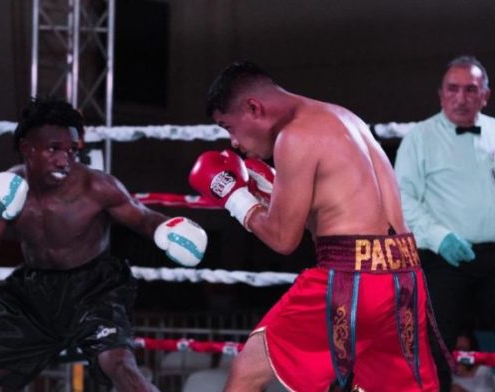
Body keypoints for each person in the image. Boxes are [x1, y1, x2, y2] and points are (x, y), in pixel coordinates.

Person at [188, 61, 441, 391]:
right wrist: (271, 192)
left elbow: (283, 240)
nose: (233, 142)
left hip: (351, 283)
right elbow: (340, 215)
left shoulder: (293, 138)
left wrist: (236, 197)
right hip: (405, 280)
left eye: (228, 127)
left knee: (246, 374)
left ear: (253, 107)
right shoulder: (343, 117)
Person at [0, 96, 207, 392]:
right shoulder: (6, 191)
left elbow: (143, 219)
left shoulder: (97, 187)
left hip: (95, 289)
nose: (64, 160)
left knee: (120, 367)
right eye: (53, 149)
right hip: (33, 296)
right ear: (27, 148)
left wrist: (169, 229)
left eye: (71, 151)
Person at [394, 55, 495, 391]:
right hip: (443, 259)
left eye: (471, 89)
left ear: (485, 95)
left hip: (494, 257)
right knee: (434, 348)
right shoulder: (419, 138)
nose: (461, 97)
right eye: (453, 89)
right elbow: (404, 199)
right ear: (441, 95)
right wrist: (440, 237)